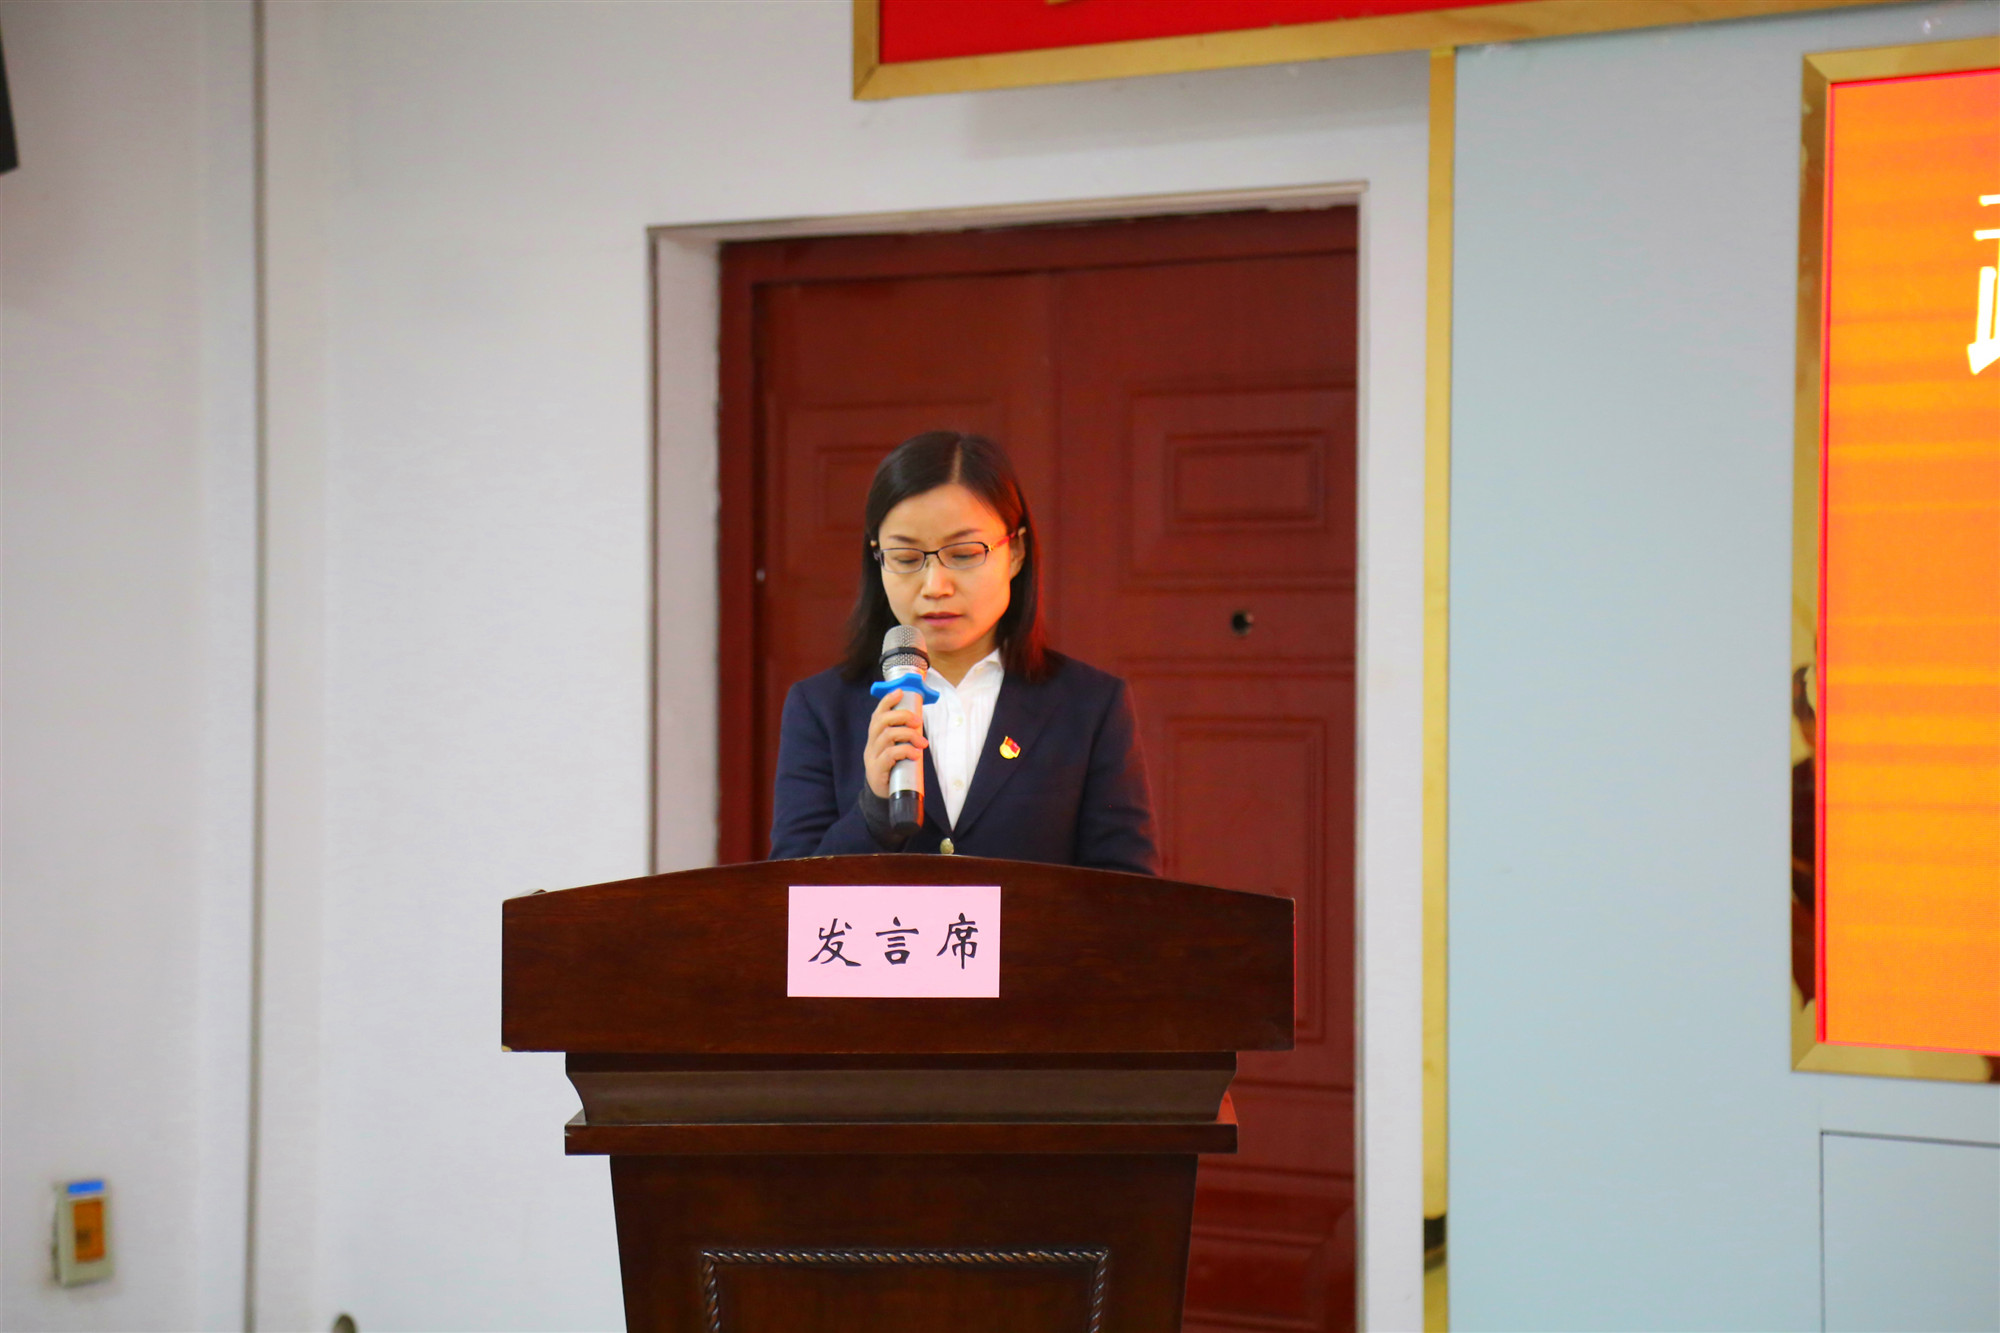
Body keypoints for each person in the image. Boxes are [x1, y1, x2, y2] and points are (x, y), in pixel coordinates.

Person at [769, 431, 1159, 875]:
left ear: (1016, 552)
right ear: (877, 559)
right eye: (906, 558)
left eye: (964, 553)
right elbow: (788, 894)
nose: (935, 586)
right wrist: (874, 811)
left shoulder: (1089, 706)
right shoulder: (821, 708)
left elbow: (1128, 893)